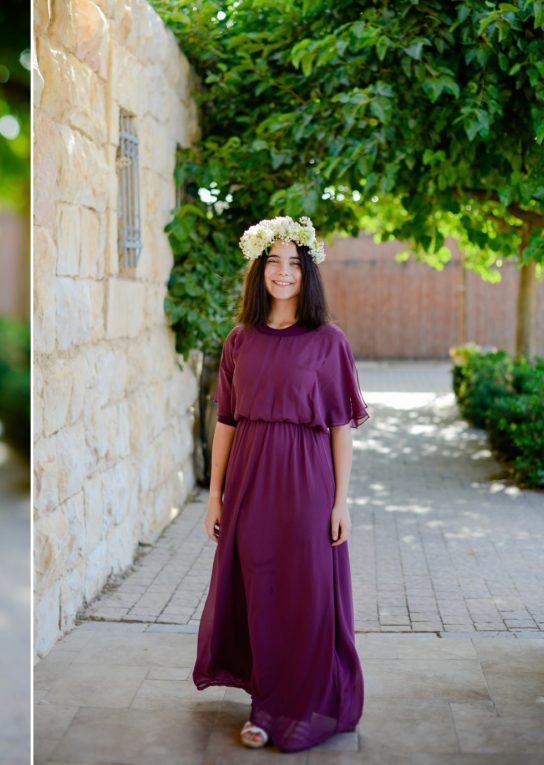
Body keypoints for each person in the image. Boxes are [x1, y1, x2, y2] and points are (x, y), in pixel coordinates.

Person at [193, 216, 368, 753]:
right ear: (259, 270)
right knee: (260, 593)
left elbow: (341, 426)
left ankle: (303, 700)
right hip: (249, 482)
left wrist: (340, 502)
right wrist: (215, 494)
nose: (284, 272)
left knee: (308, 594)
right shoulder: (239, 341)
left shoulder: (328, 342)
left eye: (295, 263)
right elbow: (225, 421)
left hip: (308, 484)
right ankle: (266, 705)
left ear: (307, 273)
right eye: (274, 262)